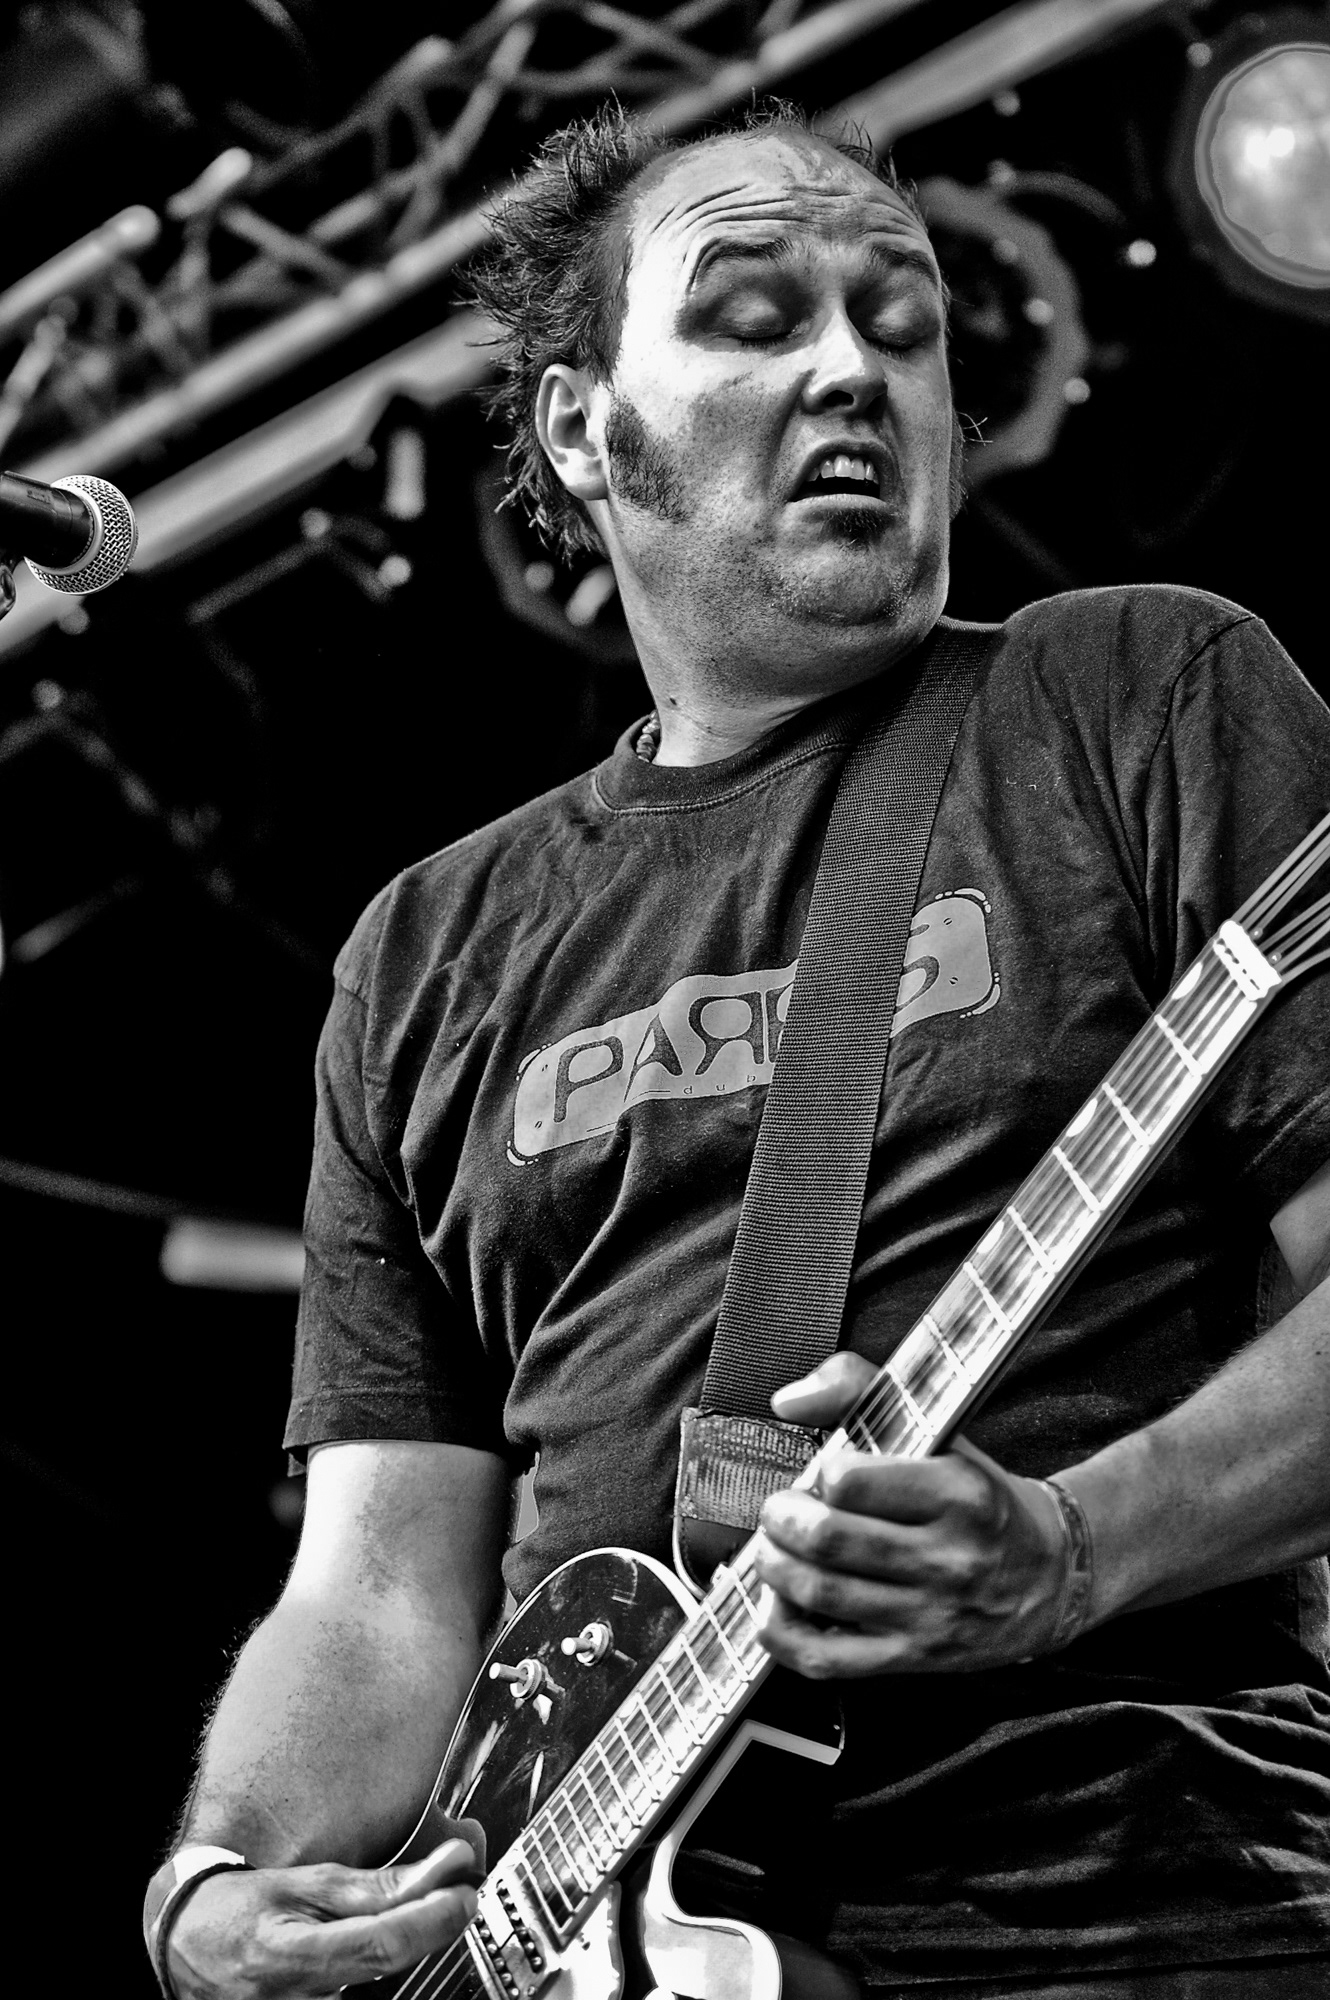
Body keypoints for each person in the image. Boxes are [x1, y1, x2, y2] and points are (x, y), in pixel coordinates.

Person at [144, 103, 1330, 1999]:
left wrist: (1071, 1547)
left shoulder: (1129, 696)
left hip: (1131, 1905)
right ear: (580, 428)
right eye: (752, 317)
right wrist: (218, 1884)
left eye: (902, 323)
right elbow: (376, 1586)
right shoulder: (428, 947)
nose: (853, 368)